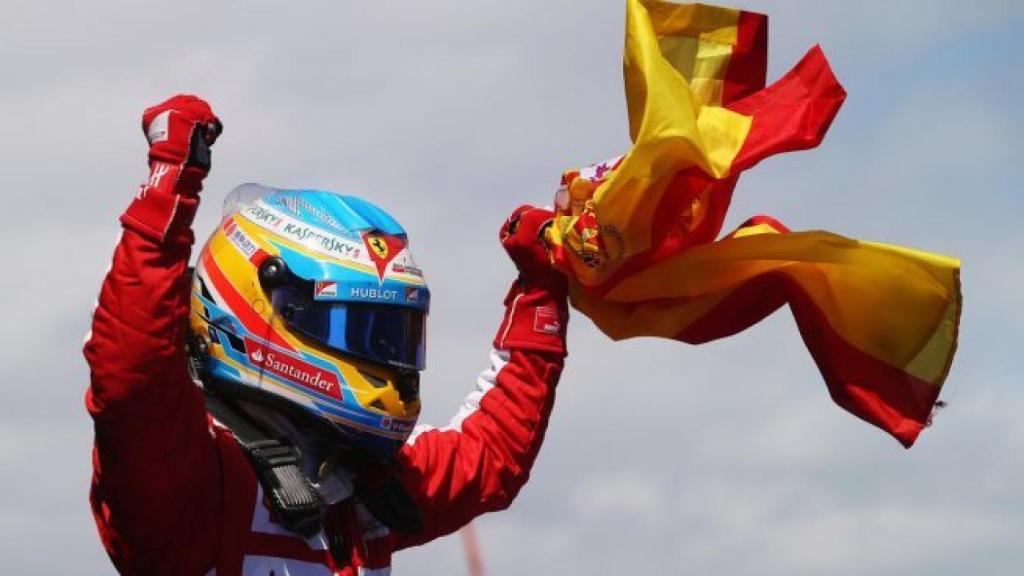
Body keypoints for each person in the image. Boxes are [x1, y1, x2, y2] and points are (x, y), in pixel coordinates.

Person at [83, 95, 569, 575]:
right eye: (353, 327)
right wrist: (169, 190)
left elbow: (492, 456)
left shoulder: (356, 484)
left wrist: (543, 287)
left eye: (391, 334)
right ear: (264, 306)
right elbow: (130, 377)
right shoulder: (192, 484)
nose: (387, 360)